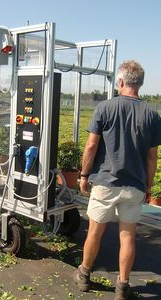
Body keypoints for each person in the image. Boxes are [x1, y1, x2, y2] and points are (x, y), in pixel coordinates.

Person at [73, 60, 161, 300]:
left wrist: (83, 176)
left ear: (121, 82)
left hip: (105, 183)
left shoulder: (105, 108)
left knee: (95, 232)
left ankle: (84, 275)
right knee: (127, 235)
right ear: (140, 84)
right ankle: (122, 286)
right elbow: (152, 158)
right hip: (134, 185)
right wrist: (148, 185)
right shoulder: (152, 115)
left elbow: (91, 146)